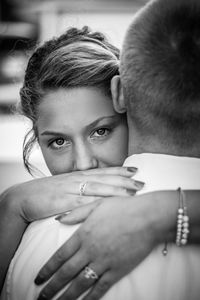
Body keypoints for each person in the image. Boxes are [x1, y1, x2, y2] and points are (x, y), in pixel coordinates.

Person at [1, 4, 200, 299]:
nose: (83, 164)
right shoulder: (28, 228)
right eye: (58, 142)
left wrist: (166, 212)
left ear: (127, 102)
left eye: (101, 131)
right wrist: (11, 204)